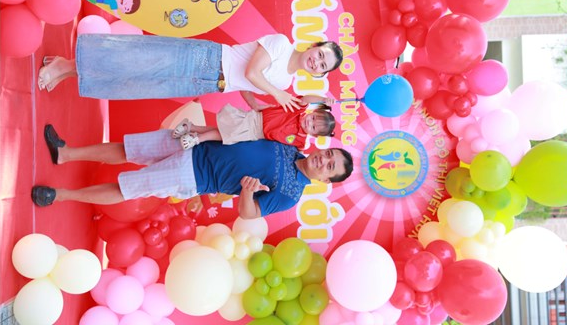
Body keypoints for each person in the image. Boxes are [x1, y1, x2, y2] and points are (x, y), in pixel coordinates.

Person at [32, 124, 353, 219]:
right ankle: (65, 153)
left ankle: (58, 196)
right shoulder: (290, 147)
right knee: (128, 148)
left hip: (195, 176)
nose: (323, 160)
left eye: (329, 166)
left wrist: (246, 192)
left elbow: (249, 214)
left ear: (326, 180)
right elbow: (239, 132)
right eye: (329, 154)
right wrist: (201, 131)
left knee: (127, 188)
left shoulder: (291, 194)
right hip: (194, 143)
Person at [37, 34, 344, 112]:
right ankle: (65, 65)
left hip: (209, 82)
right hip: (206, 59)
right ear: (313, 46)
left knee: (139, 83)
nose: (316, 62)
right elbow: (252, 70)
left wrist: (256, 105)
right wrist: (277, 95)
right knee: (138, 59)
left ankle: (68, 70)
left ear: (320, 74)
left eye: (322, 66)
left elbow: (247, 84)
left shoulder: (286, 81)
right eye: (320, 54)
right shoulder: (282, 44)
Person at [173, 95, 337, 150]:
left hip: (256, 135)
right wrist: (323, 100)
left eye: (313, 127)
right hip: (255, 120)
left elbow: (298, 152)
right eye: (313, 118)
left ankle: (190, 127)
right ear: (313, 112)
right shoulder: (298, 109)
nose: (309, 122)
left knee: (224, 132)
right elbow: (307, 98)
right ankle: (197, 138)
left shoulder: (301, 141)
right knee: (226, 135)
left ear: (314, 135)